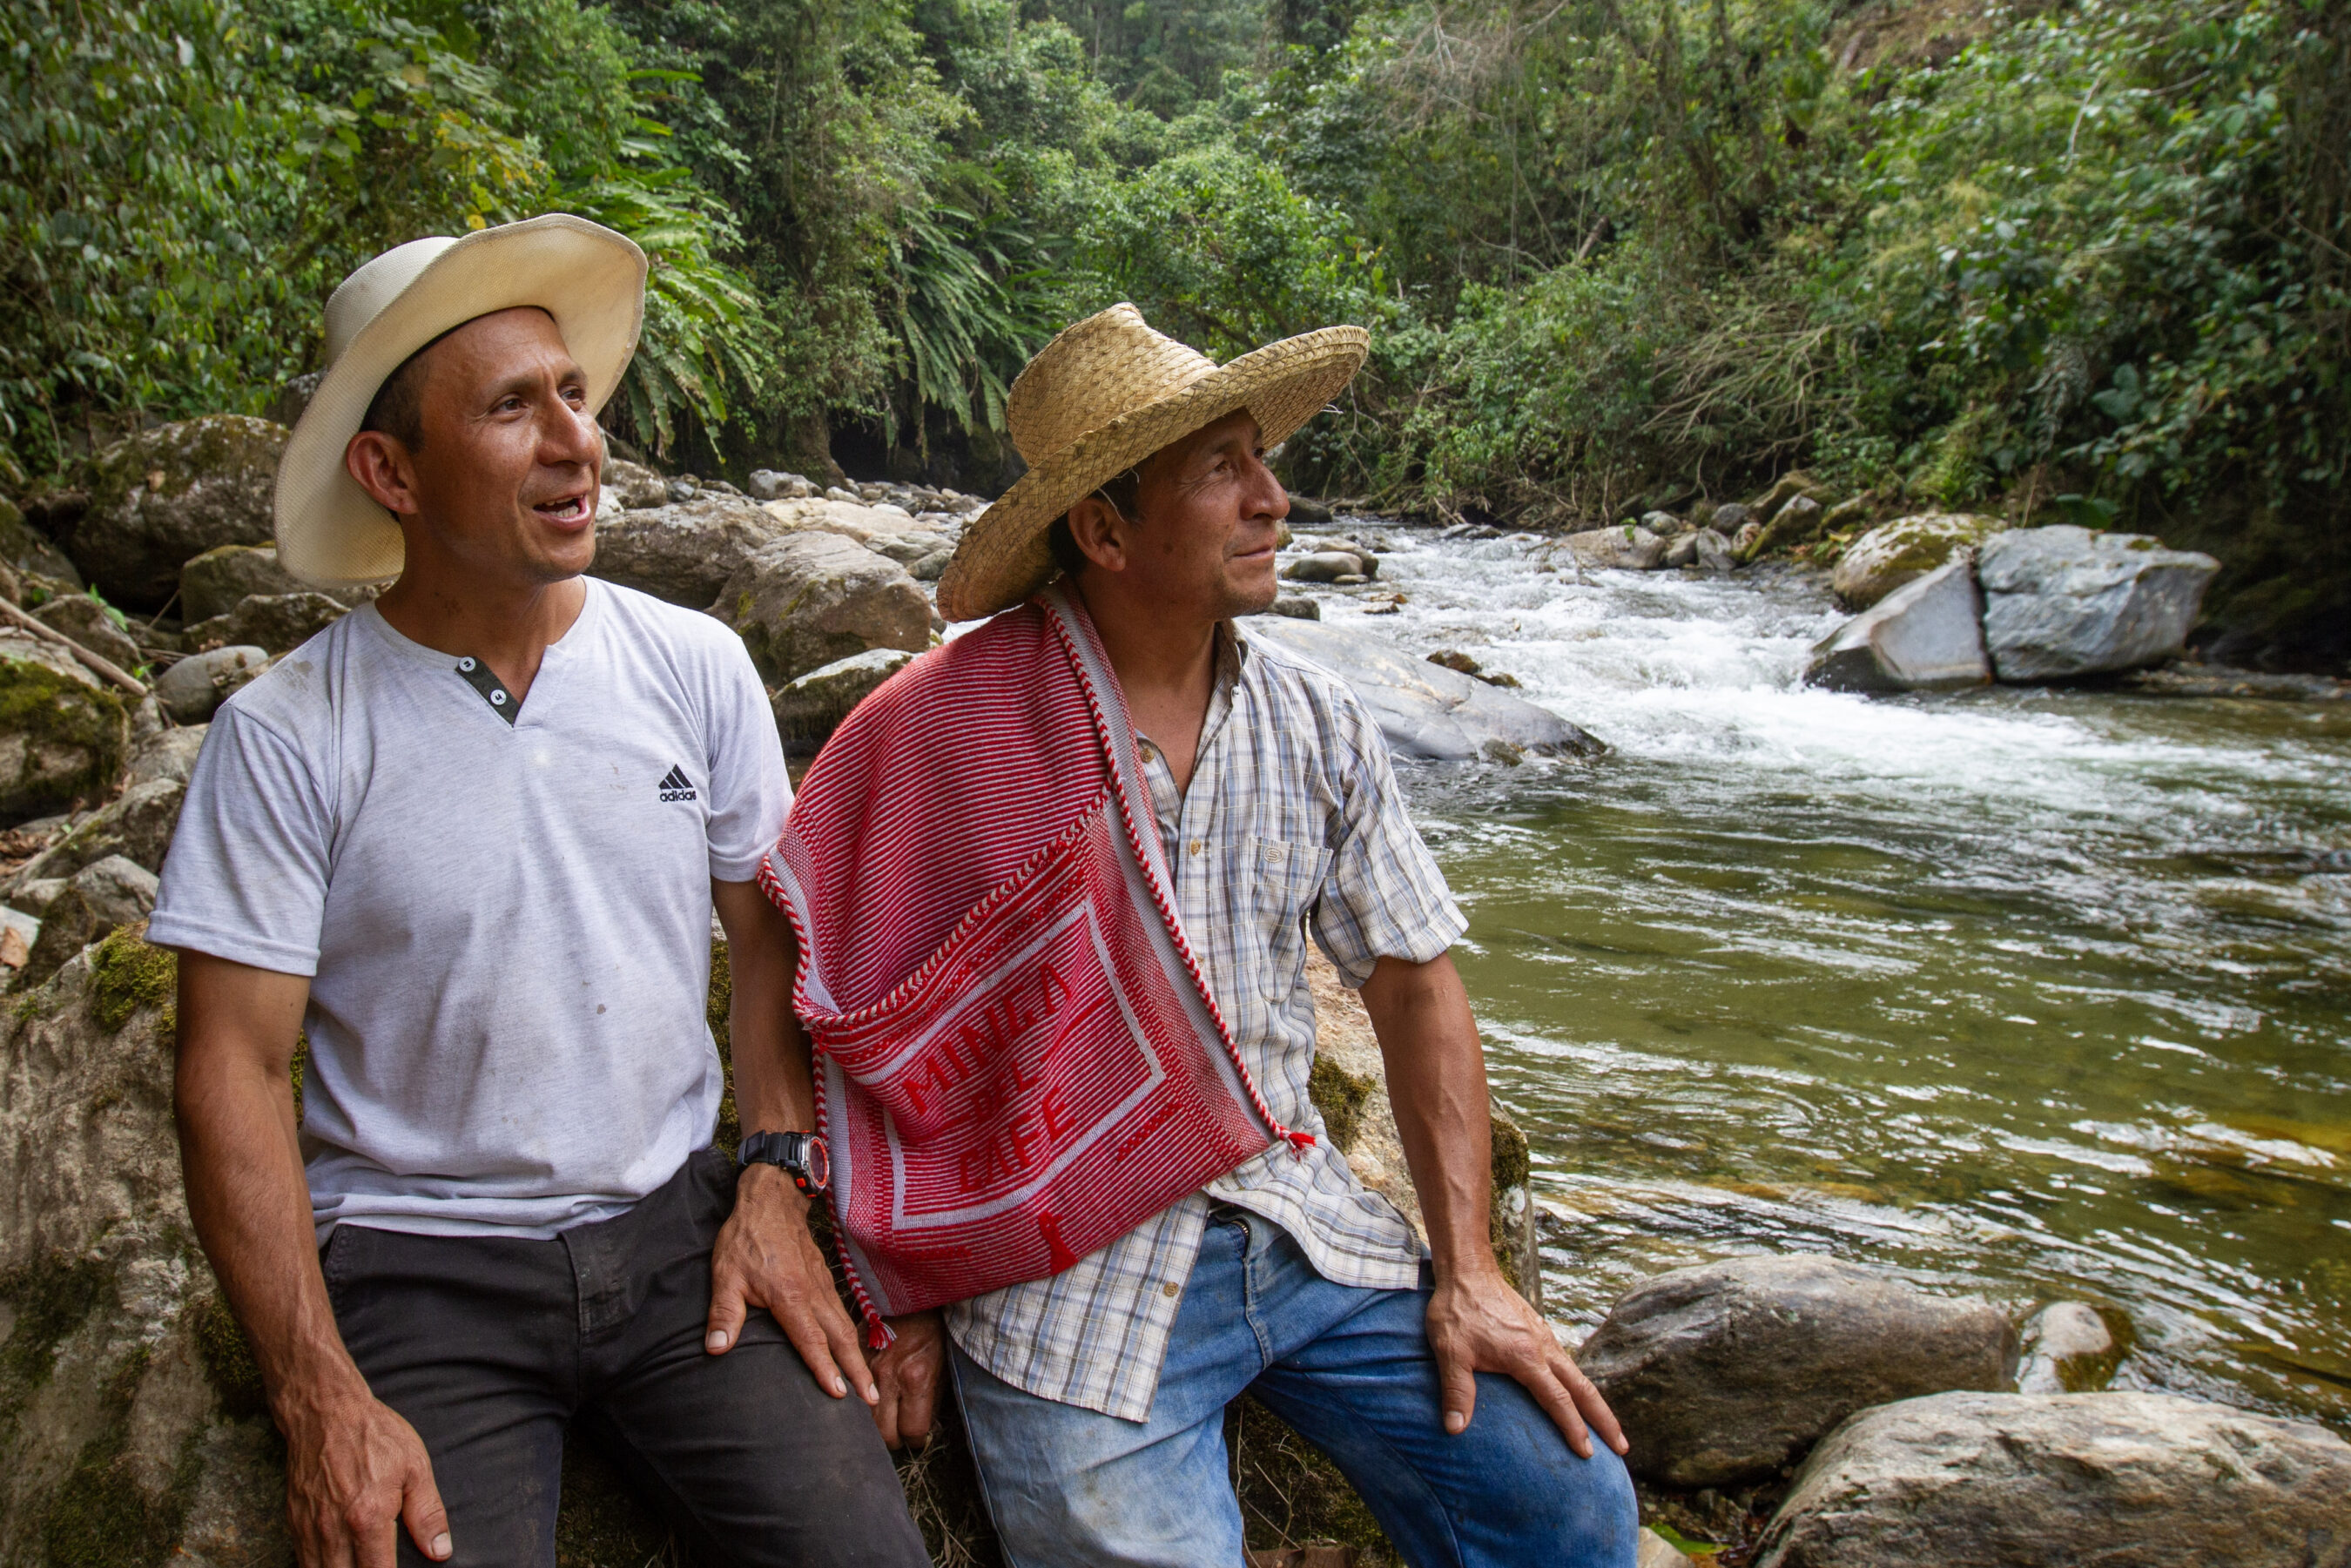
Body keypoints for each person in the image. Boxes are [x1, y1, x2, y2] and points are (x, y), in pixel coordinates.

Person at [778, 303, 1640, 1568]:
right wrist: (898, 1289)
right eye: (1223, 469)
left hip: (1296, 1224)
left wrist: (1473, 1274)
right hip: (1068, 1284)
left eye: (1263, 461)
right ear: (1104, 531)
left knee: (1568, 1500)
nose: (1273, 500)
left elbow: (1415, 987)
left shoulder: (1314, 720)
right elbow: (855, 1010)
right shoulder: (941, 726)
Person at [157, 214, 929, 1568]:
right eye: (513, 408)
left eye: (575, 392)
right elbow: (231, 1063)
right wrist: (318, 1392)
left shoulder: (694, 666)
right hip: (418, 1269)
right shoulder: (288, 733)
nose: (579, 441)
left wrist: (771, 1179)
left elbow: (767, 942)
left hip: (677, 1235)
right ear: (390, 471)